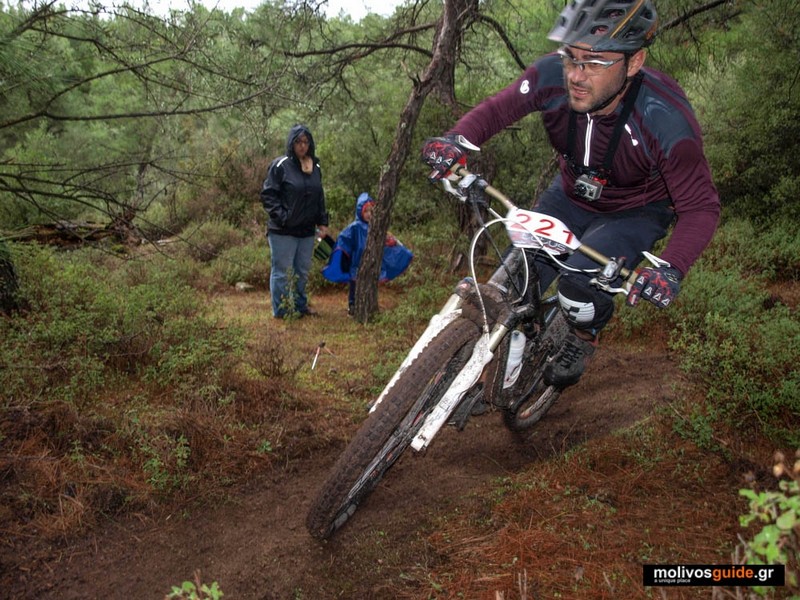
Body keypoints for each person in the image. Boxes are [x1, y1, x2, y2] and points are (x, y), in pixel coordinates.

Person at [421, 0, 720, 387]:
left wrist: (670, 269)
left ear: (634, 62)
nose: (577, 75)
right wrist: (455, 142)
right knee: (517, 271)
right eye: (571, 57)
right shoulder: (552, 76)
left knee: (579, 280)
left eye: (595, 63)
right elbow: (498, 110)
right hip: (569, 193)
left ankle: (582, 338)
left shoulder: (664, 116)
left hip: (635, 212)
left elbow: (700, 207)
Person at [261, 124, 330, 319]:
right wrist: (283, 217)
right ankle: (282, 310)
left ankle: (300, 306)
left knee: (302, 271)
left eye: (306, 142)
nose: (302, 146)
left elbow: (319, 197)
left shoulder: (314, 167)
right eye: (298, 141)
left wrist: (322, 222)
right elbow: (268, 195)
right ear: (292, 143)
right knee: (282, 272)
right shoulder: (280, 165)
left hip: (307, 231)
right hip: (282, 231)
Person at [322, 192, 413, 315]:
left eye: (371, 211)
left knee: (369, 285)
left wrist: (392, 243)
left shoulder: (377, 227)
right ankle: (352, 306)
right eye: (366, 211)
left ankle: (368, 306)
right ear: (360, 212)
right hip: (357, 263)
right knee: (355, 285)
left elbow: (385, 240)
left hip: (371, 263)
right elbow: (343, 239)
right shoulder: (354, 227)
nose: (369, 214)